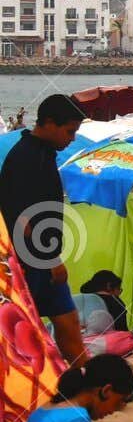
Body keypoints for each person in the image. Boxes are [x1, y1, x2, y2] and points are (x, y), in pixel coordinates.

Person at [0, 94, 89, 368]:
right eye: (69, 131)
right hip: (30, 263)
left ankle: (85, 377)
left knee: (68, 322)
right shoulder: (27, 158)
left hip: (42, 260)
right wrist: (51, 260)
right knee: (26, 333)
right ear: (49, 123)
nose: (72, 138)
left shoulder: (44, 153)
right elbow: (18, 216)